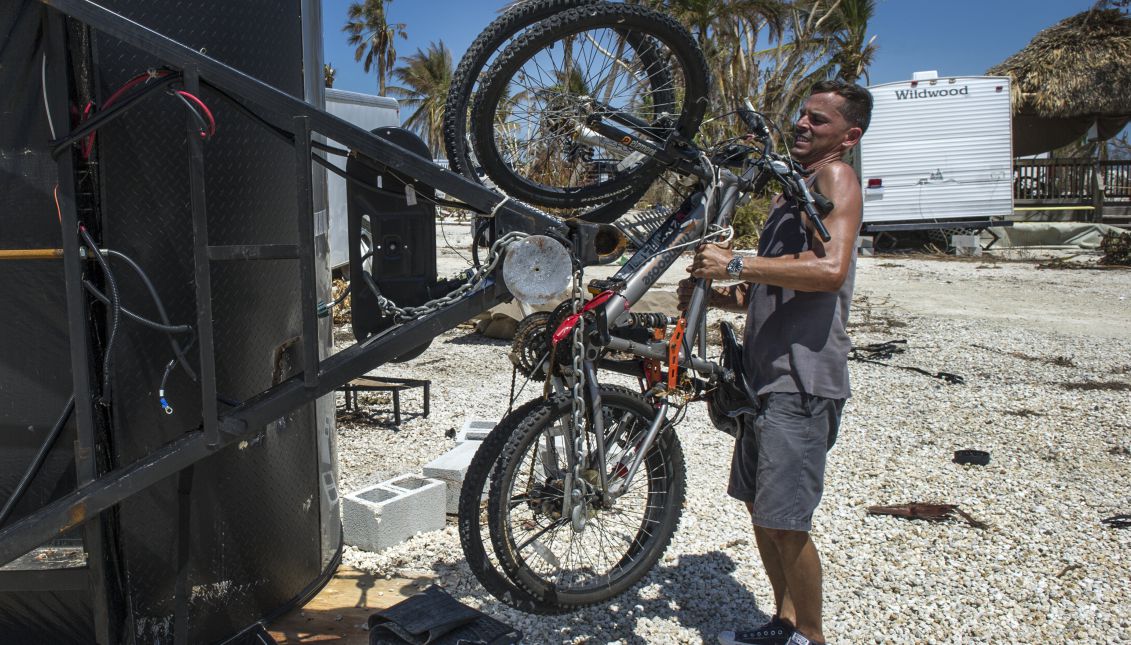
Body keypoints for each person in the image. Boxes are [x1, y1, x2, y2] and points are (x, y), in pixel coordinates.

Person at [678, 80, 872, 645]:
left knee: (788, 523)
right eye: (802, 116)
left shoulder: (836, 178)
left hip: (802, 379)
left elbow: (831, 270)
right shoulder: (795, 191)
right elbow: (768, 285)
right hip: (763, 378)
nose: (803, 125)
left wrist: (736, 261)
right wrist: (716, 288)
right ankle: (783, 624)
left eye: (820, 120)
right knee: (763, 513)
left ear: (849, 136)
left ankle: (811, 638)